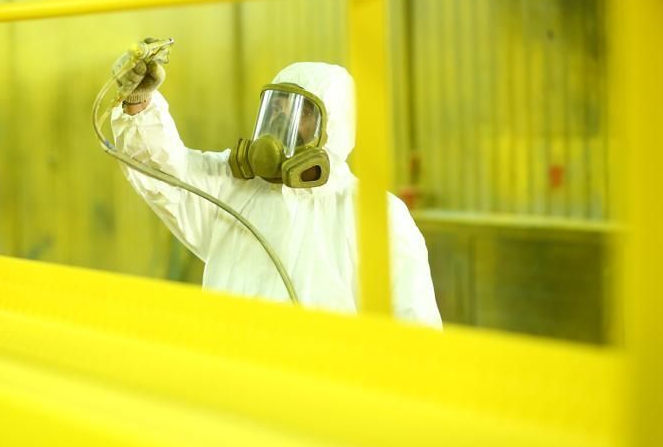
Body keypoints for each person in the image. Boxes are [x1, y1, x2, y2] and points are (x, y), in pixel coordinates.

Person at [110, 39, 442, 327]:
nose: (283, 123)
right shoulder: (235, 189)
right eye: (276, 110)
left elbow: (413, 329)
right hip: (231, 382)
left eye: (303, 114)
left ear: (335, 127)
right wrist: (139, 102)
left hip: (322, 392)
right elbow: (166, 174)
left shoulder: (374, 215)